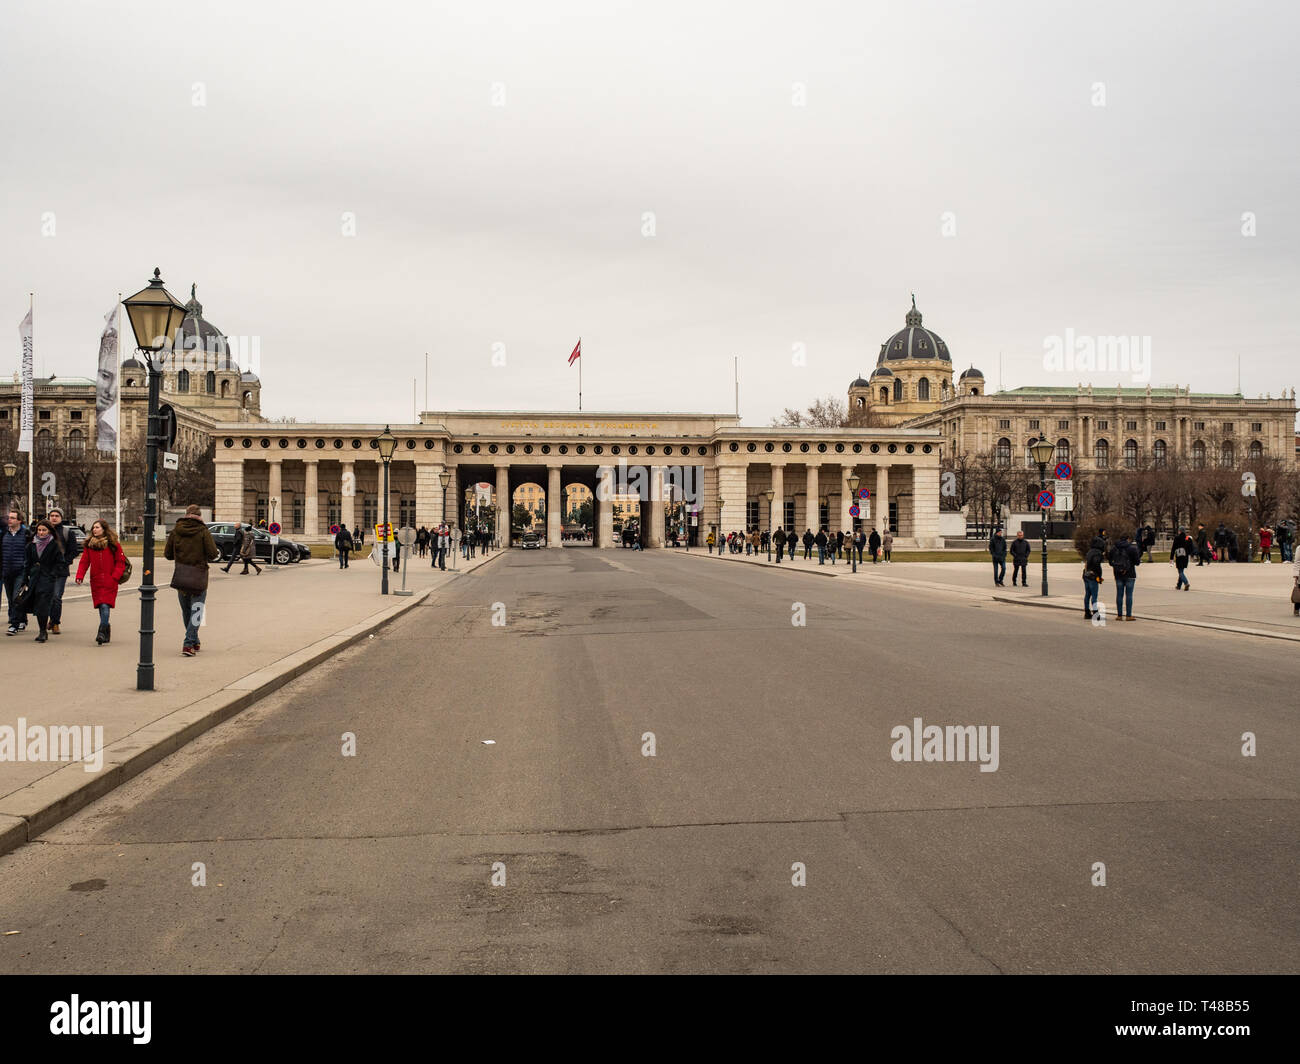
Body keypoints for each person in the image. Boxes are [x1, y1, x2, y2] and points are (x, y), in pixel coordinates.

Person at [164, 504, 221, 656]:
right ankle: (188, 643)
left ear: (186, 514)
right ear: (199, 515)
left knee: (186, 610)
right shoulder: (202, 531)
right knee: (197, 610)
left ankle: (194, 640)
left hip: (181, 574)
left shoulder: (176, 530)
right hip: (199, 576)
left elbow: (168, 554)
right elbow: (213, 553)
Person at [74, 519, 127, 644]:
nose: (94, 530)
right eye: (93, 527)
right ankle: (106, 628)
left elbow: (120, 562)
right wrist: (80, 575)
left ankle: (101, 632)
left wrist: (115, 576)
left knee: (104, 605)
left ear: (104, 529)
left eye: (97, 527)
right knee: (100, 605)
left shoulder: (113, 544)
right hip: (96, 580)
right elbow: (84, 561)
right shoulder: (89, 545)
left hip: (110, 580)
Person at [24, 517, 63, 642]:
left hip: (47, 579)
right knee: (38, 604)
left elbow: (60, 563)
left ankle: (42, 631)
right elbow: (27, 562)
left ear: (49, 531)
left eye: (44, 530)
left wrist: (52, 574)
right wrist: (25, 578)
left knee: (43, 604)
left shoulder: (54, 545)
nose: (41, 532)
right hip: (34, 578)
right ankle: (42, 629)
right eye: (39, 530)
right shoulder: (31, 545)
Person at [45, 508, 80, 635]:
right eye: (52, 515)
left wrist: (65, 561)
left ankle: (55, 623)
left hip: (60, 571)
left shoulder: (66, 532)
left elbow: (74, 551)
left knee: (56, 597)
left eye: (57, 515)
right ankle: (50, 619)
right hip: (46, 570)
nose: (54, 518)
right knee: (46, 597)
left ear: (61, 517)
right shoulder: (44, 530)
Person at [3, 509, 30, 635]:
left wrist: (27, 569)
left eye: (13, 518)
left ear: (19, 520)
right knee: (10, 599)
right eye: (9, 517)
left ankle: (13, 624)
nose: (10, 520)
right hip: (7, 571)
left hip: (21, 571)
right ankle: (22, 619)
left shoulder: (26, 534)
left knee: (16, 598)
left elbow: (30, 553)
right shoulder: (4, 534)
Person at [1109, 532, 1141, 621]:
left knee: (1119, 594)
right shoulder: (1132, 548)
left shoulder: (1114, 548)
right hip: (1130, 574)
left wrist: (1118, 567)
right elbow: (1137, 562)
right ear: (1128, 539)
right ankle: (1128, 615)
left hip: (1118, 574)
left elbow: (1110, 562)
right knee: (1129, 594)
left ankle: (1119, 615)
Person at [1083, 537, 1104, 619]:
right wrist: (1099, 576)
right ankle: (1095, 613)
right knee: (1094, 595)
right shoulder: (1098, 553)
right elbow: (1096, 564)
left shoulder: (1089, 552)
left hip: (1086, 575)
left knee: (1087, 594)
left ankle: (1087, 612)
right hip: (1093, 576)